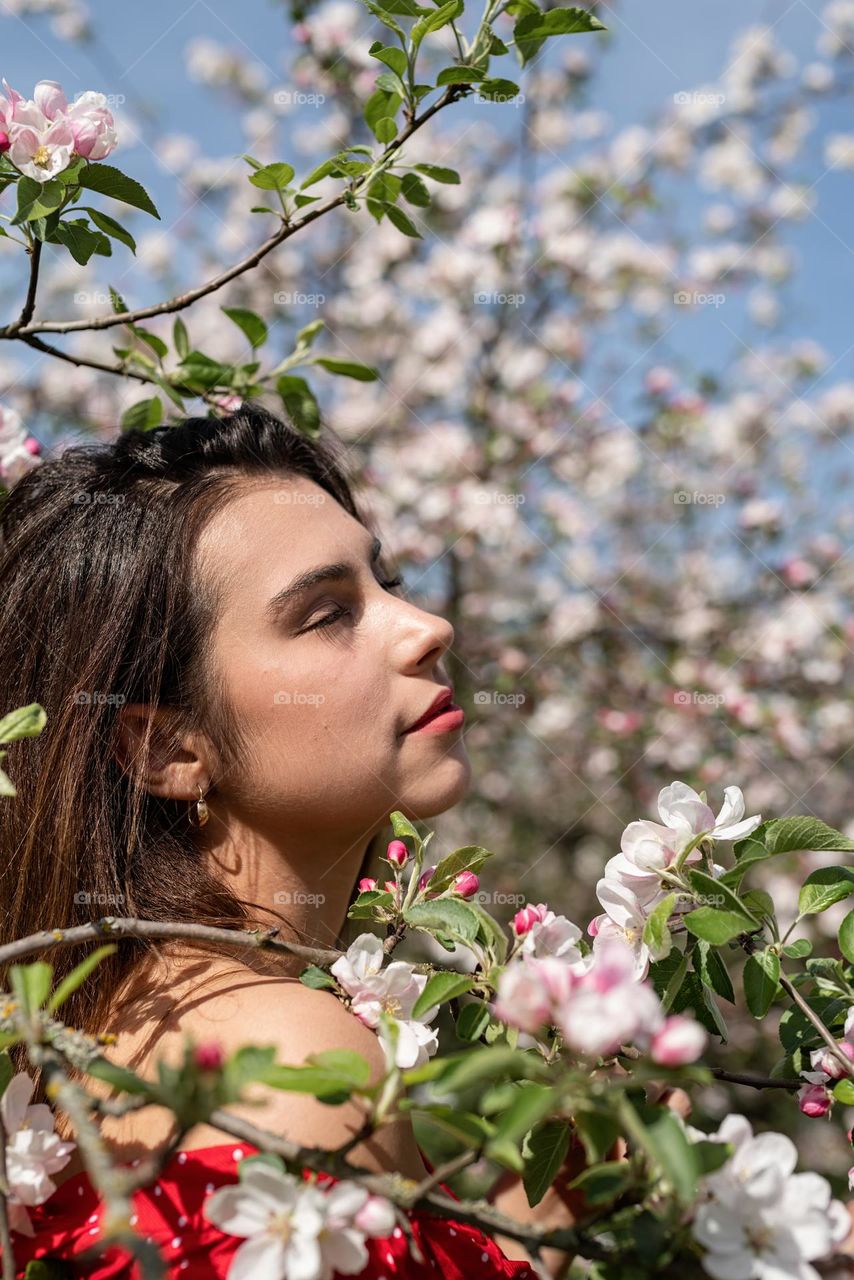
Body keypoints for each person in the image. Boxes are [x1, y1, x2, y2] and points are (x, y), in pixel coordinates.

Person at [0, 404, 570, 1279]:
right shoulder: (296, 1056)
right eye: (325, 614)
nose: (426, 628)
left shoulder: (73, 1052)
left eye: (386, 581)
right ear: (166, 747)